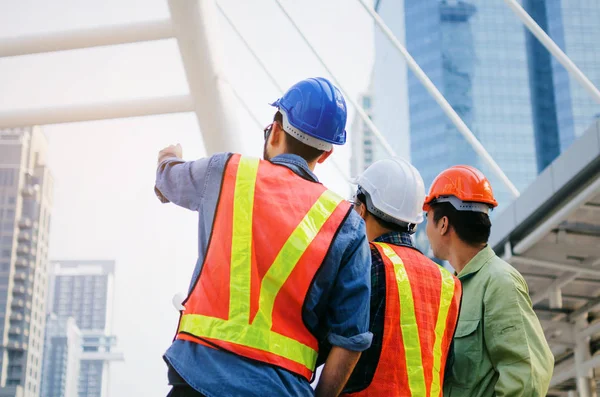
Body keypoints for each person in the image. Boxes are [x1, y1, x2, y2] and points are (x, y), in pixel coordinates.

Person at [155, 77, 373, 397]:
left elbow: (167, 181)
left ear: (276, 131)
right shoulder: (346, 224)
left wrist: (168, 157)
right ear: (325, 154)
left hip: (197, 380)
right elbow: (350, 338)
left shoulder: (226, 172)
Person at [321, 158, 462, 396]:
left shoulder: (367, 262)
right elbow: (446, 367)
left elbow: (331, 342)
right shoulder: (449, 283)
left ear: (362, 210)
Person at [423, 165, 554, 396]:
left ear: (443, 224)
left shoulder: (500, 282)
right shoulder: (451, 290)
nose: (425, 231)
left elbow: (528, 379)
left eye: (427, 218)